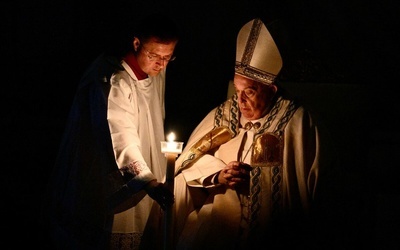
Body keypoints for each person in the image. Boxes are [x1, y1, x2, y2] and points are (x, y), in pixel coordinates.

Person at [168, 18, 334, 249]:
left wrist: (255, 180)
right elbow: (185, 167)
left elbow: (312, 190)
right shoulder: (224, 115)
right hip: (216, 227)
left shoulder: (297, 122)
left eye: (250, 91)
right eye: (237, 90)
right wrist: (218, 175)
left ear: (271, 89)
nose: (240, 101)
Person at [41, 13, 180, 250]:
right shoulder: (114, 80)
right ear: (136, 44)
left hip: (145, 165)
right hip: (107, 173)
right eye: (155, 55)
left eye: (168, 57)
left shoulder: (157, 70)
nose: (161, 64)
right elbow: (120, 135)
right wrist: (146, 181)